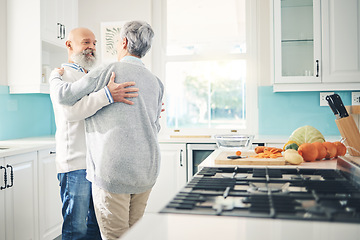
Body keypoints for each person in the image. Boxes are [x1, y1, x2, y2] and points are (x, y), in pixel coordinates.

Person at [50, 21, 164, 239]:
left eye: (94, 42)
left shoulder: (103, 71)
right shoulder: (155, 82)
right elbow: (68, 110)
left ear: (122, 42)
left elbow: (66, 96)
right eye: (86, 42)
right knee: (95, 229)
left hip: (107, 169)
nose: (92, 46)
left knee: (107, 232)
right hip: (124, 168)